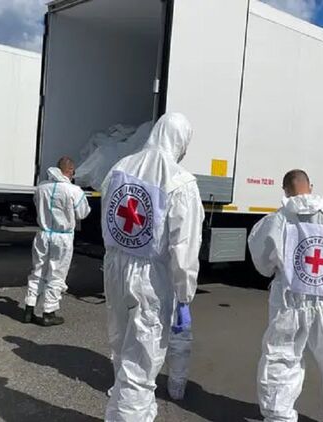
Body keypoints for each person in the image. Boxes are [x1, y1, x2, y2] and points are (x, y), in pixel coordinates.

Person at [101, 113, 204, 421]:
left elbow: (107, 214)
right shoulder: (181, 182)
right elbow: (184, 248)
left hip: (115, 267)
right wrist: (184, 295)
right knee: (141, 365)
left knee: (122, 350)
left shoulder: (120, 167)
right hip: (150, 279)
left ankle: (133, 415)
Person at [248, 170, 323, 422]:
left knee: (282, 359)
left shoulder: (277, 220)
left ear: (285, 190)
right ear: (311, 186)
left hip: (289, 304)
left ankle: (279, 416)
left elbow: (263, 263)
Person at [24, 156, 91, 327]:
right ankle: (49, 312)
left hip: (43, 234)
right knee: (56, 274)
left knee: (37, 270)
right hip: (62, 236)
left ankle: (29, 308)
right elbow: (83, 213)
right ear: (70, 171)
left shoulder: (41, 188)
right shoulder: (74, 190)